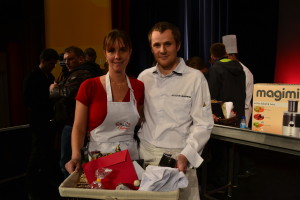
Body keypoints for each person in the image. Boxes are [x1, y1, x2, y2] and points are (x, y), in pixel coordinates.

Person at [137, 21, 214, 200]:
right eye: (157, 45)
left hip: (180, 160)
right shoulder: (144, 77)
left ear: (178, 45)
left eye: (168, 44)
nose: (162, 50)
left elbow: (203, 124)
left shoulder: (195, 78)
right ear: (151, 48)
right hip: (147, 158)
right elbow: (138, 116)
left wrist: (186, 155)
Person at [65, 29, 144, 174]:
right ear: (105, 53)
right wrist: (75, 156)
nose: (117, 56)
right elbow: (79, 128)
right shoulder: (89, 86)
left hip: (131, 162)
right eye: (111, 50)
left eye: (122, 50)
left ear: (130, 52)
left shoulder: (138, 87)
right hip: (99, 162)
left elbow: (142, 123)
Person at [50, 46, 103, 178]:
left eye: (70, 59)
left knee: (68, 164)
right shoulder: (74, 73)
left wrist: (53, 90)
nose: (67, 62)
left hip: (75, 123)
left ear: (81, 59)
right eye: (65, 59)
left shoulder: (83, 73)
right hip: (72, 122)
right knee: (69, 162)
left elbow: (67, 92)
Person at [23, 48, 62, 200]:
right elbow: (27, 100)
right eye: (51, 64)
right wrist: (48, 98)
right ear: (43, 61)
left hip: (49, 121)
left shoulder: (50, 76)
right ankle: (30, 180)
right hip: (38, 121)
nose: (53, 67)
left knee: (47, 151)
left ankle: (43, 180)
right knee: (37, 150)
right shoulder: (32, 77)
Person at [206, 42, 246, 189]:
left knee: (219, 150)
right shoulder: (240, 68)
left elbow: (212, 96)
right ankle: (233, 180)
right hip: (237, 114)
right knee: (233, 148)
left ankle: (220, 183)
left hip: (221, 116)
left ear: (212, 55)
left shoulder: (216, 69)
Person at [222, 35, 254, 127]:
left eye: (226, 57)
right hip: (229, 109)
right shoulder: (225, 69)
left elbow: (246, 96)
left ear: (232, 55)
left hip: (242, 110)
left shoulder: (245, 71)